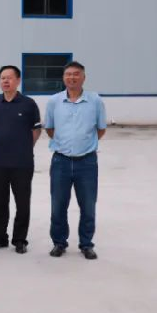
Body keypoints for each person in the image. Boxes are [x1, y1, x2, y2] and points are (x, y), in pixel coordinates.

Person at [44, 61, 107, 260]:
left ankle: (86, 244)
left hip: (87, 162)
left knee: (88, 206)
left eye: (76, 74)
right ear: (64, 78)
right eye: (68, 74)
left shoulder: (95, 100)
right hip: (60, 162)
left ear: (83, 77)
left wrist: (84, 144)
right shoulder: (54, 101)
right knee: (58, 206)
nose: (72, 77)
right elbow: (49, 129)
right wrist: (64, 143)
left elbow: (101, 129)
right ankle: (59, 243)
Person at [0, 66, 41, 254]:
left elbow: (36, 130)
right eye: (2, 78)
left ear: (18, 80)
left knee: (22, 203)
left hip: (22, 163)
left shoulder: (28, 104)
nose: (5, 81)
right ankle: (0, 237)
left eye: (9, 78)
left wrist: (24, 147)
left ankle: (20, 240)